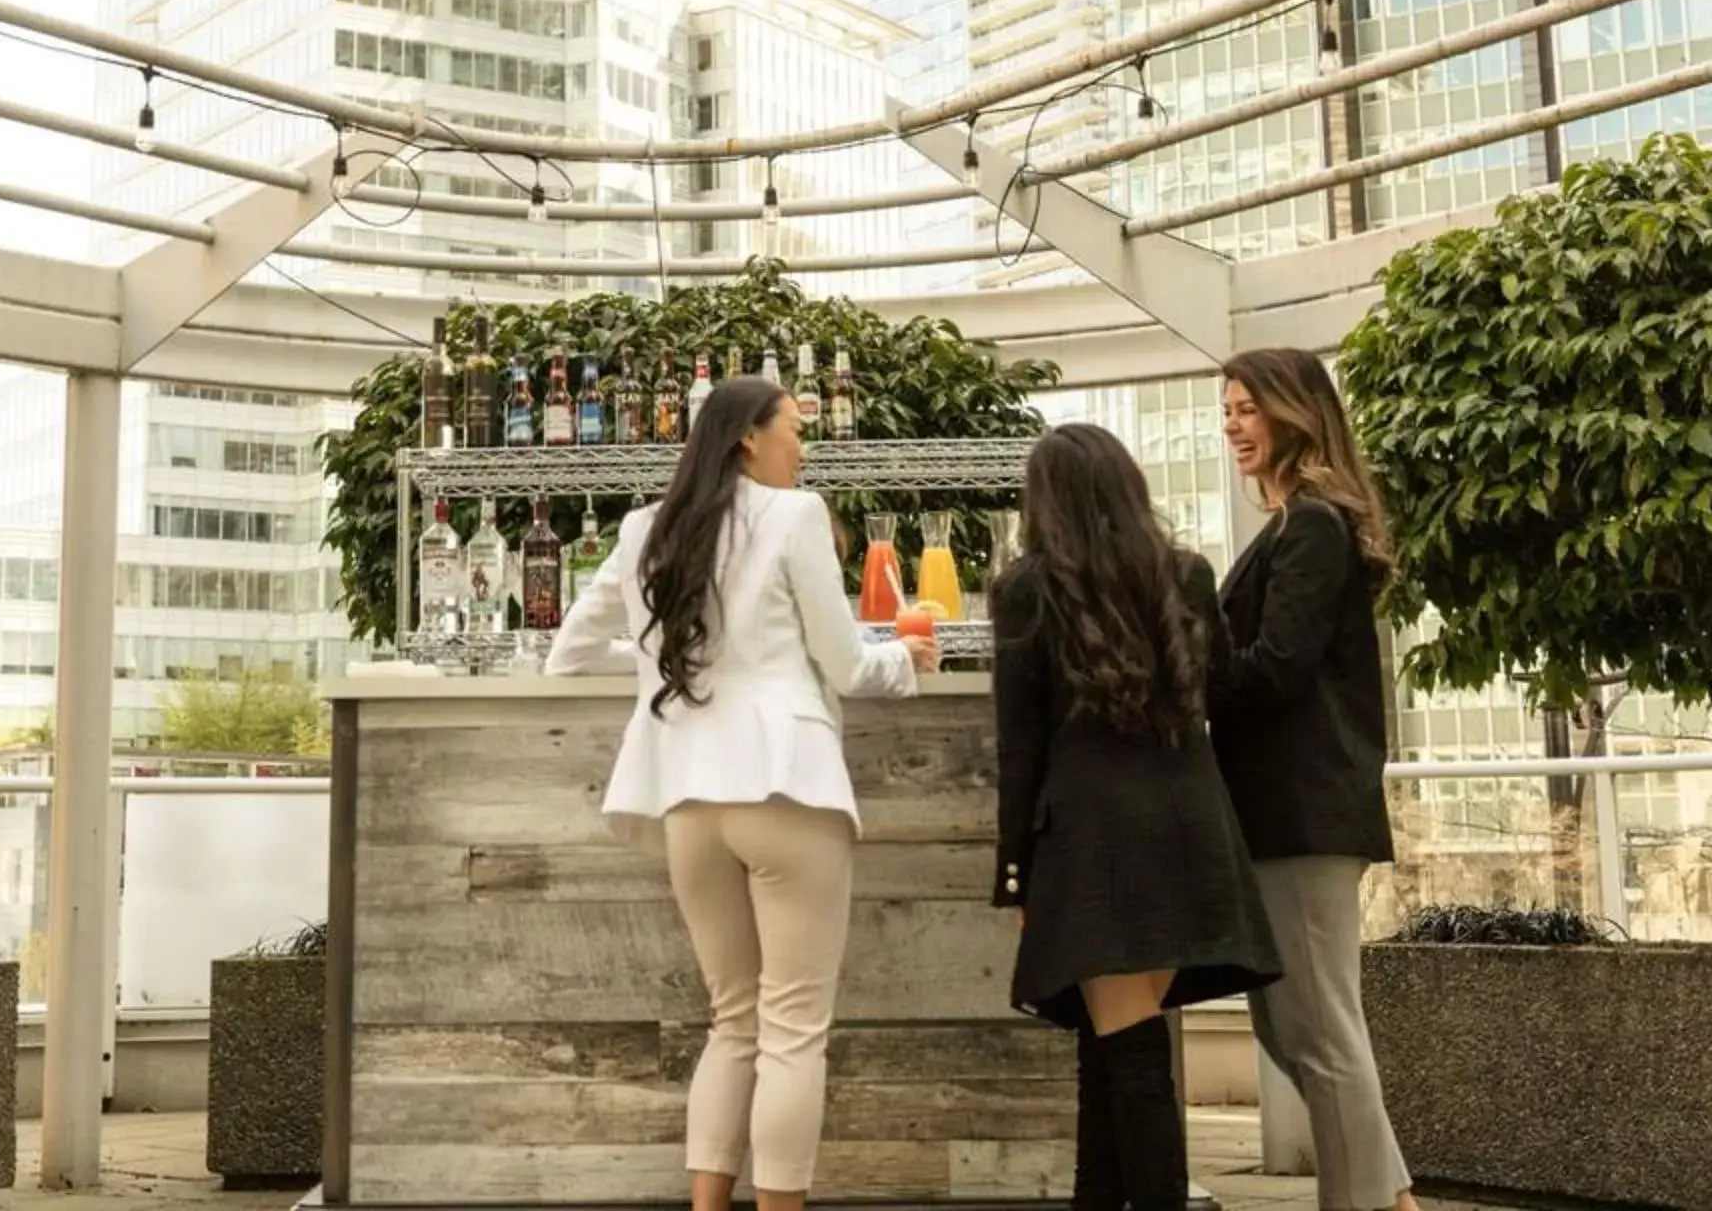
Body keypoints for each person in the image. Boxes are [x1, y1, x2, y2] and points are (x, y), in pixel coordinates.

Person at [548, 375, 938, 1211]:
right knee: (794, 1031)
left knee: (734, 1024)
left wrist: (663, 661)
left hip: (689, 801)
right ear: (747, 439)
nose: (804, 445)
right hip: (785, 789)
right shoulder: (795, 516)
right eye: (794, 429)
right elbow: (846, 664)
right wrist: (907, 658)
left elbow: (567, 656)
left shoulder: (643, 528)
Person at [992, 422, 1281, 1211]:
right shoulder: (1185, 575)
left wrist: (1015, 876)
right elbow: (1217, 688)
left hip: (1092, 843)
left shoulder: (1027, 589)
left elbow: (1019, 748)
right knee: (1108, 1043)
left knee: (1130, 1050)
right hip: (1188, 829)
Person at [1209, 348, 1417, 1211]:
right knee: (1299, 1029)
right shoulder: (1297, 523)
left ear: (1295, 413)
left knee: (1319, 1034)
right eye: (1226, 410)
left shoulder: (1313, 527)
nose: (1232, 425)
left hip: (1303, 813)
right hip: (1285, 814)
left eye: (1248, 408)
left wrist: (1184, 666)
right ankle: (1391, 1200)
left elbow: (1276, 668)